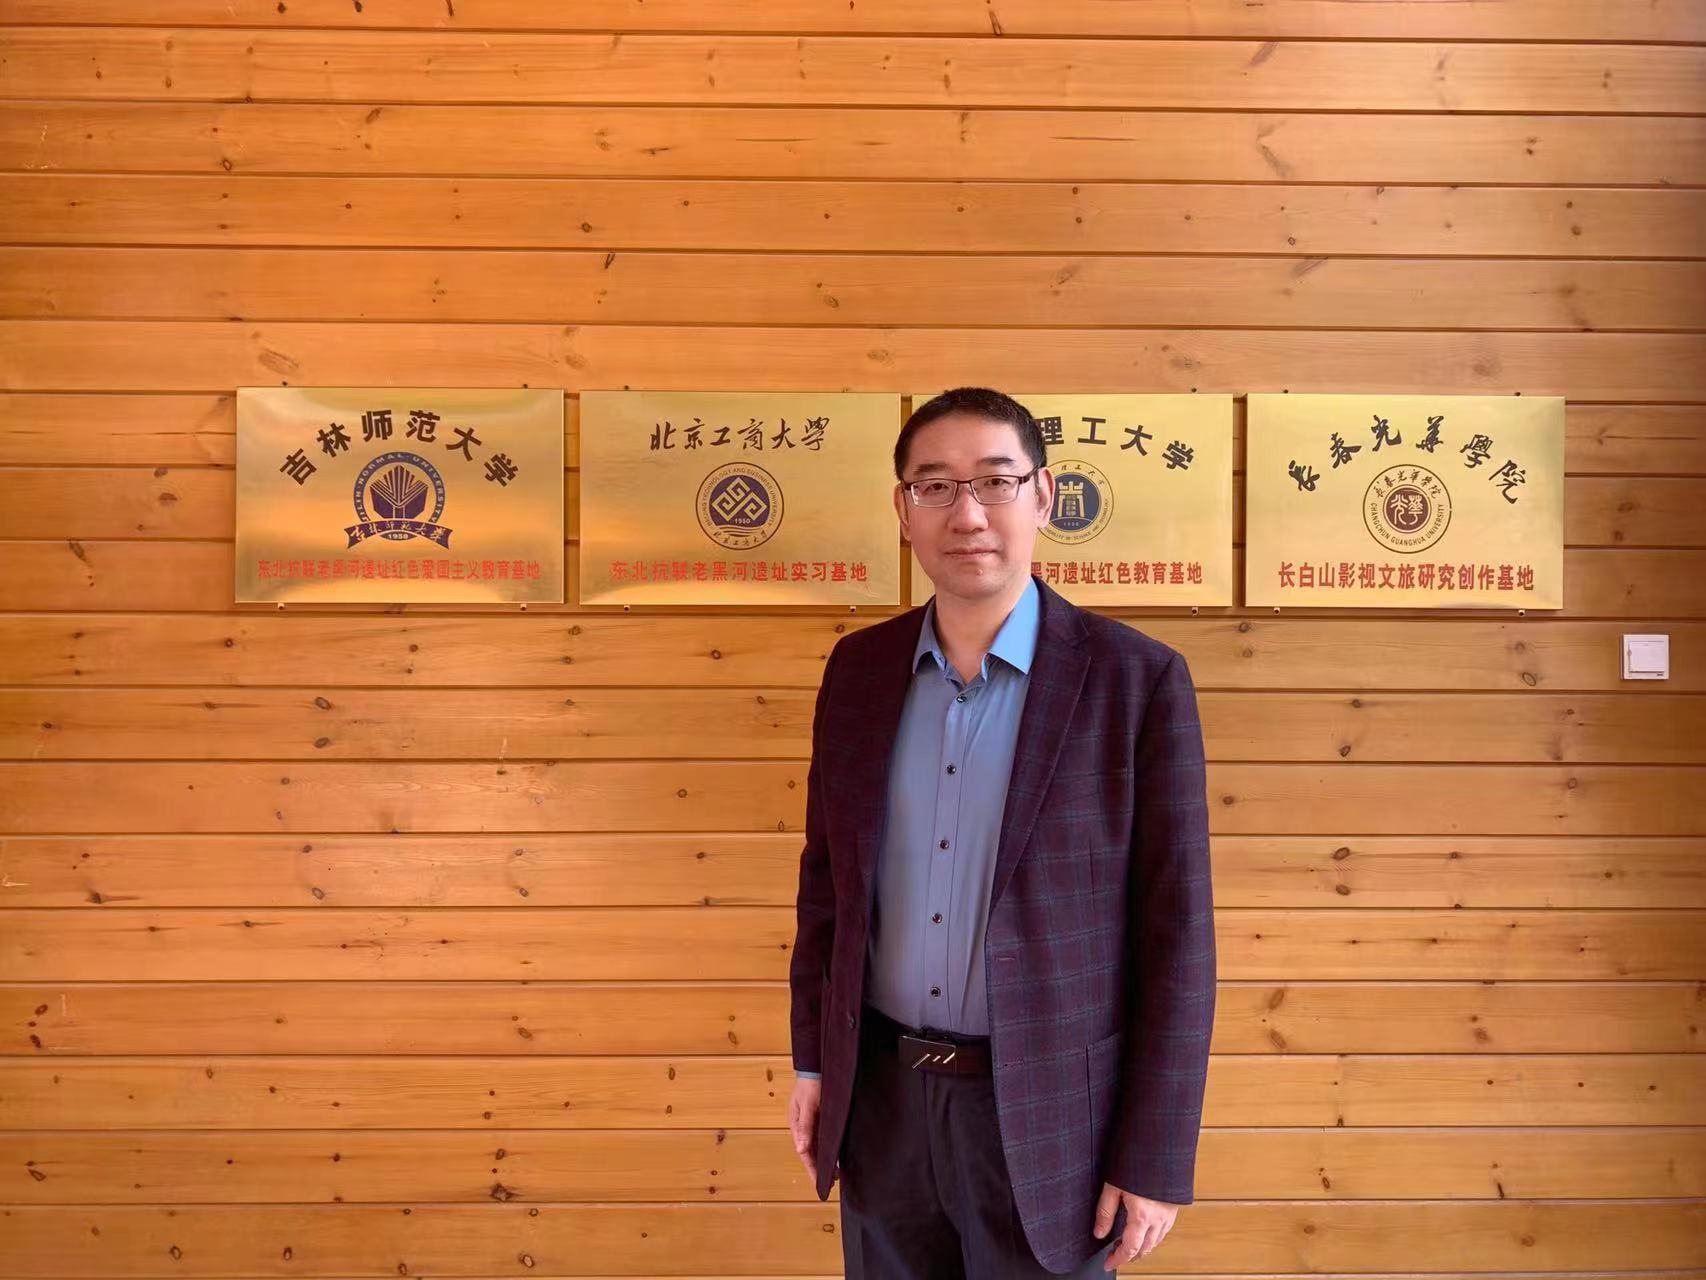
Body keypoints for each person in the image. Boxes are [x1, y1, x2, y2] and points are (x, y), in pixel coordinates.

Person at [786, 387, 1217, 1277]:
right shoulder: (859, 673)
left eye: (995, 481)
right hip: (883, 1103)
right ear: (903, 509)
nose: (968, 514)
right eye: (935, 486)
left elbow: (1178, 936)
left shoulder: (1135, 681)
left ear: (1044, 495)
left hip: (1054, 1119)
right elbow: (827, 887)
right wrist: (815, 1064)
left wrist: (1155, 1154)